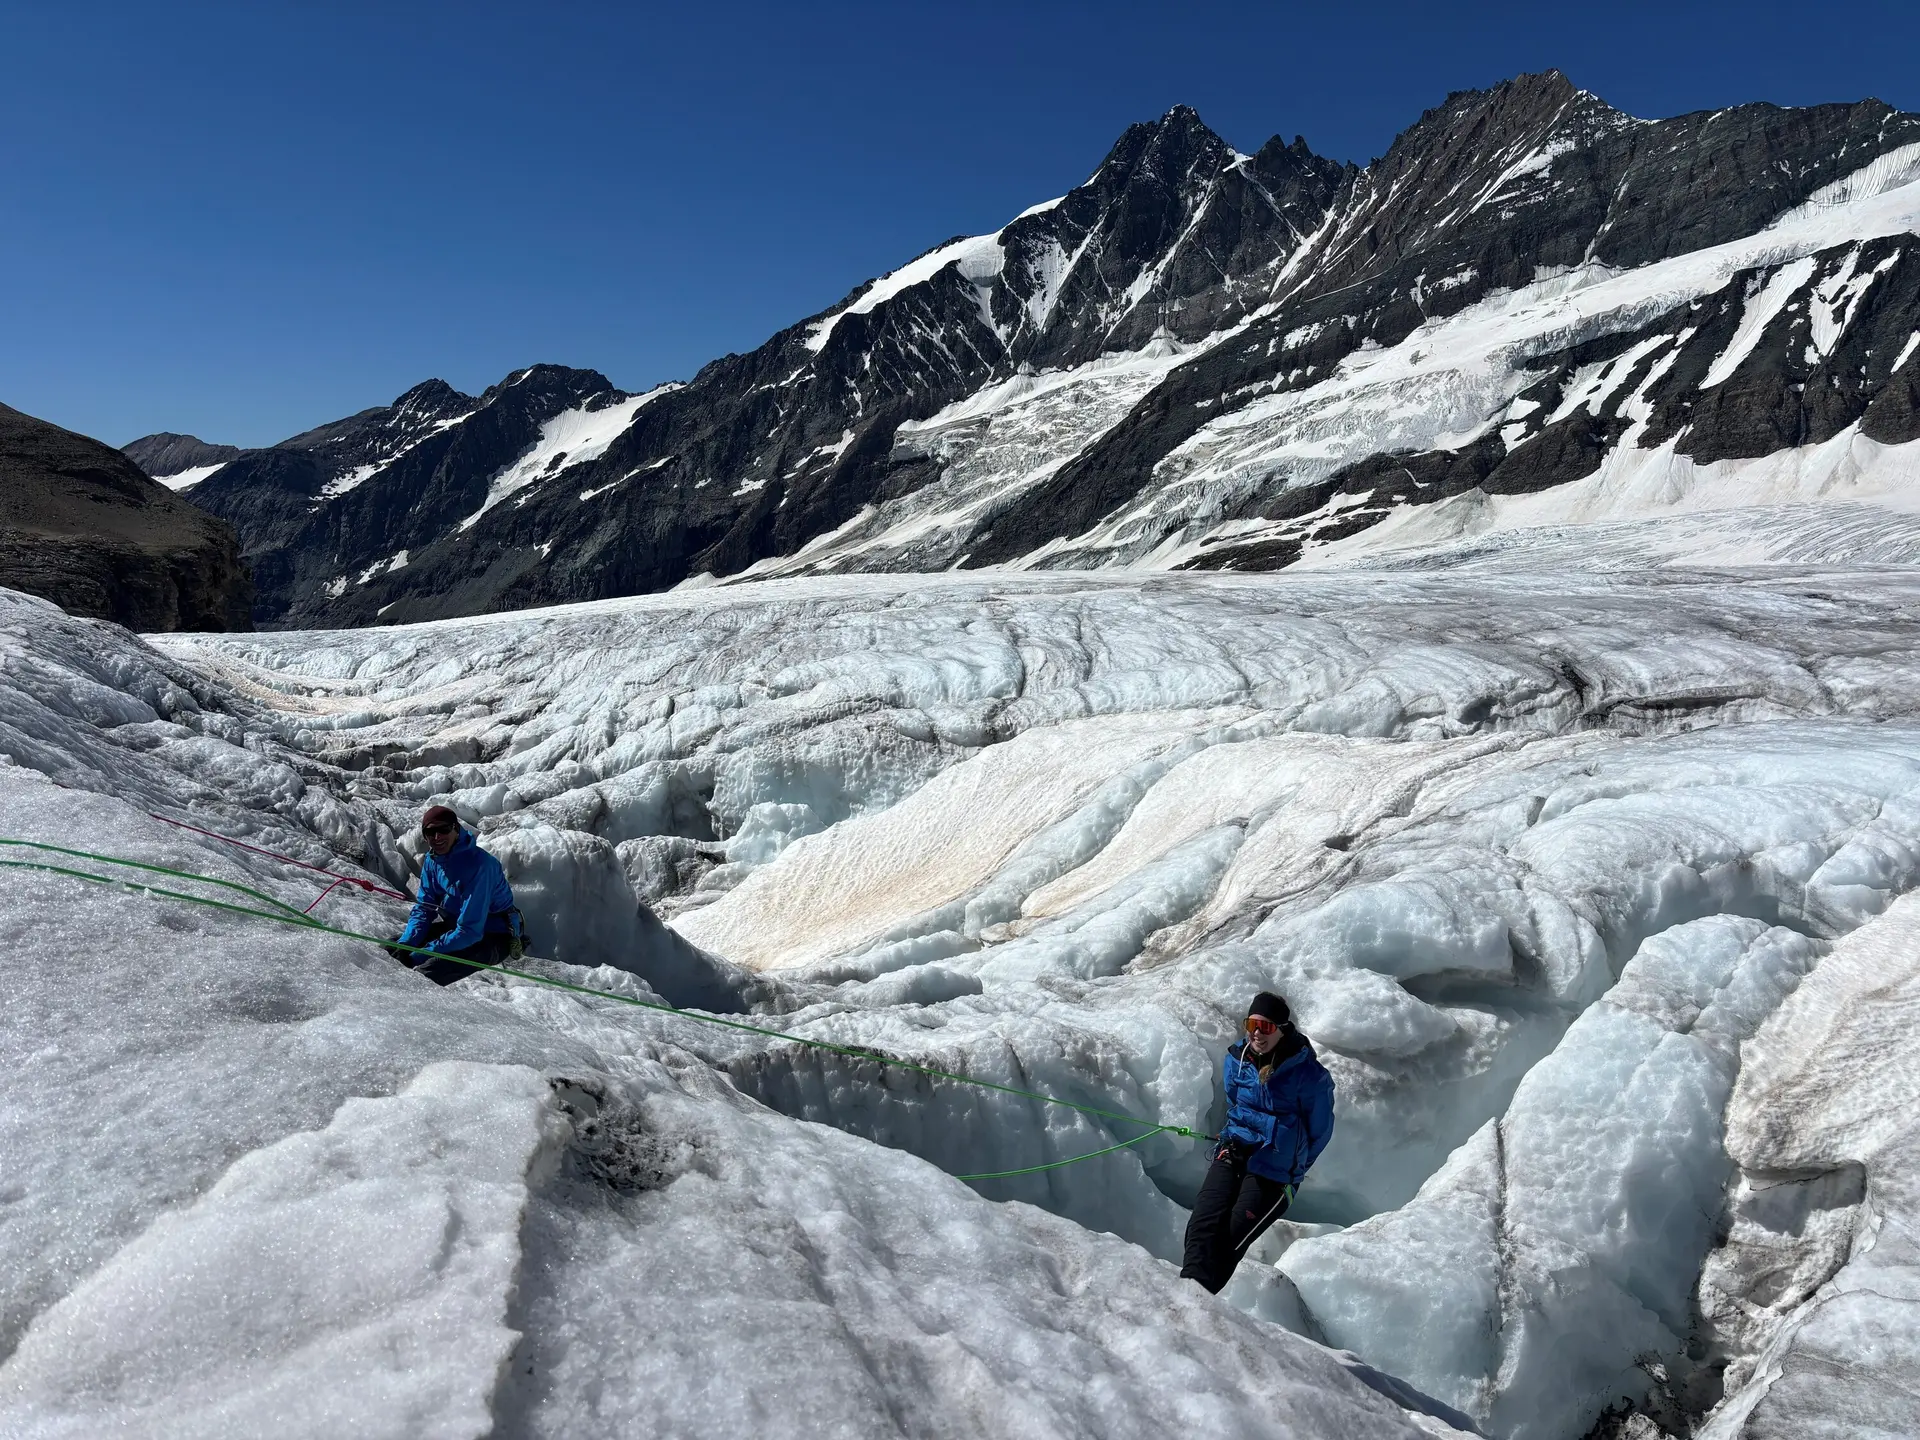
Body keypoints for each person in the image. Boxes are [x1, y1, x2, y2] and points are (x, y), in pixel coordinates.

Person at [1180, 991, 1335, 1294]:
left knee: (1228, 1241)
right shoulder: (1236, 1060)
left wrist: (1293, 1165)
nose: (1256, 1033)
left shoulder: (1309, 1076)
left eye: (1265, 1027)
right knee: (1201, 1226)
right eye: (1251, 1024)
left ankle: (1193, 1305)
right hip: (1235, 1149)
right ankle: (1184, 1299)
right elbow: (1236, 1104)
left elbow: (1320, 1132)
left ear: (1281, 1029)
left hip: (1275, 1172)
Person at [388, 805, 522, 985]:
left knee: (425, 974)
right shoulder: (432, 860)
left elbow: (470, 931)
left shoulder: (481, 866)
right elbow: (425, 907)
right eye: (430, 832)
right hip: (457, 927)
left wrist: (421, 954)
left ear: (456, 830)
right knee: (391, 949)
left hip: (493, 935)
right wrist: (407, 942)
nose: (437, 837)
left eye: (443, 829)